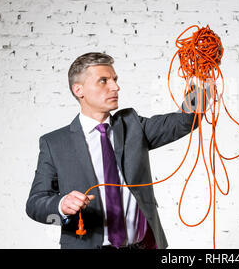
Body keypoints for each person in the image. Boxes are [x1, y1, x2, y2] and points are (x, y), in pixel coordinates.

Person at [26, 52, 206, 249]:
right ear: (79, 90)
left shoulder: (133, 125)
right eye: (103, 81)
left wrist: (201, 81)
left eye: (115, 79)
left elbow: (184, 120)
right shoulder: (55, 143)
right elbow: (35, 202)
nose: (115, 87)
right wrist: (61, 205)